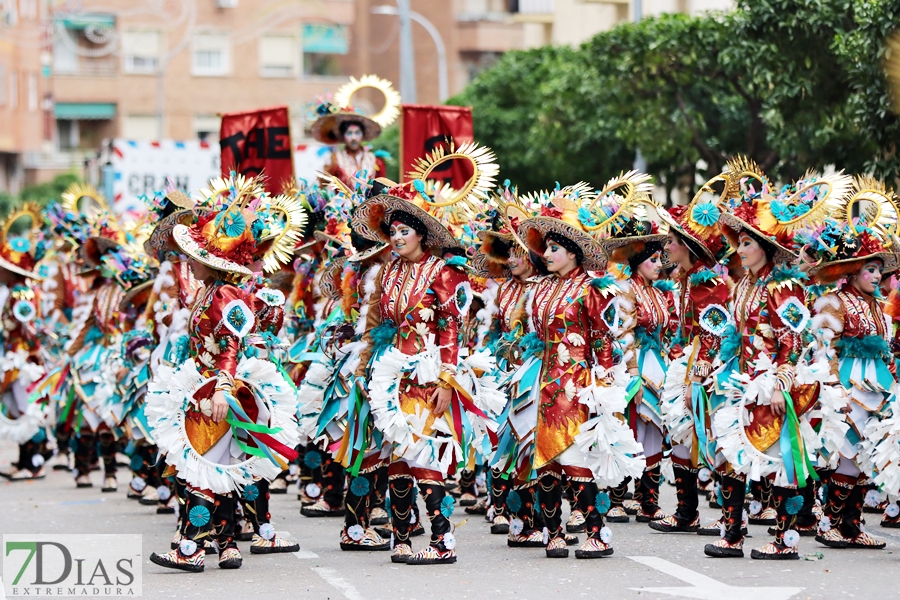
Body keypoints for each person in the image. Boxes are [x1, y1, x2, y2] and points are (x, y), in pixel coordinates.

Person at [147, 174, 303, 572]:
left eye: (197, 258)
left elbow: (231, 344)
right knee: (209, 467)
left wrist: (222, 388)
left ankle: (193, 548)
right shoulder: (207, 291)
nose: (192, 263)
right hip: (204, 387)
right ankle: (222, 543)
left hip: (221, 391)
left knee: (206, 469)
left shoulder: (224, 294)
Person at [515, 182, 645, 559]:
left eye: (555, 249)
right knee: (545, 459)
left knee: (574, 457)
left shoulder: (594, 289)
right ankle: (554, 533)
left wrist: (603, 386)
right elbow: (536, 337)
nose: (547, 254)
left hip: (577, 384)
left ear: (573, 253)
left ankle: (596, 533)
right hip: (544, 381)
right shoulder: (538, 289)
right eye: (547, 248)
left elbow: (605, 341)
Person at [0, 205, 50, 480]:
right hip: (13, 355)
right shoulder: (15, 292)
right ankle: (24, 461)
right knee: (15, 407)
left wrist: (30, 352)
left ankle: (35, 461)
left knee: (25, 408)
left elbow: (31, 330)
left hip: (22, 359)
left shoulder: (21, 294)